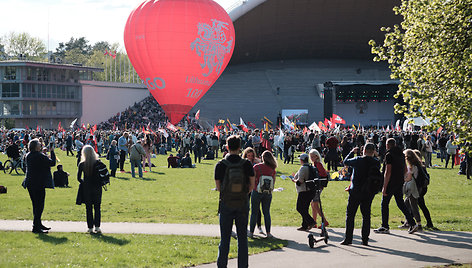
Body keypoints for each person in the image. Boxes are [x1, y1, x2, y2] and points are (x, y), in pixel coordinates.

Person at [214, 135, 255, 268]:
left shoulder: (220, 165)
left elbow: (219, 187)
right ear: (240, 147)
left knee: (224, 239)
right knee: (242, 238)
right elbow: (252, 185)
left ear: (227, 147)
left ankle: (222, 265)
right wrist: (242, 194)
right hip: (242, 204)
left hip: (226, 203)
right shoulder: (247, 164)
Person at [374, 138, 418, 234]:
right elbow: (406, 169)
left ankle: (385, 226)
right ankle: (412, 223)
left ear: (388, 145)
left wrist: (384, 186)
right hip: (399, 181)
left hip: (391, 182)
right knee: (400, 203)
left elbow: (388, 172)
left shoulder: (389, 155)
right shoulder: (401, 154)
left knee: (384, 203)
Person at [341, 143, 380, 246]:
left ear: (364, 150)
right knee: (366, 216)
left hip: (356, 190)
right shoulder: (376, 162)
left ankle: (348, 238)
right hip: (369, 190)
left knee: (350, 215)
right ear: (373, 151)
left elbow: (345, 162)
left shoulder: (358, 160)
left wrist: (351, 152)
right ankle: (365, 239)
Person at [23, 138, 56, 233]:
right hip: (38, 183)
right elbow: (52, 163)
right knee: (40, 205)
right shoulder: (40, 156)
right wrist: (52, 152)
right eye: (39, 144)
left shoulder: (28, 155)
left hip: (30, 182)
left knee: (35, 205)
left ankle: (38, 224)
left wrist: (44, 154)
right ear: (36, 146)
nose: (40, 145)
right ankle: (36, 226)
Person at [248, 150, 277, 238]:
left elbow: (252, 179)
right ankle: (268, 233)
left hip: (257, 191)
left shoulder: (257, 167)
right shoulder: (273, 169)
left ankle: (251, 232)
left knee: (254, 213)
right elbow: (274, 181)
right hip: (268, 192)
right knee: (266, 212)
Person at [77, 145, 103, 234]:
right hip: (97, 187)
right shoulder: (98, 162)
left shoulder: (82, 164)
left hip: (86, 188)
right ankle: (97, 226)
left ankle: (90, 227)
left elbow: (78, 178)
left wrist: (83, 183)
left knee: (88, 208)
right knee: (97, 207)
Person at [291, 153, 316, 231]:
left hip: (304, 191)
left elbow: (300, 181)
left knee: (299, 208)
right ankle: (304, 225)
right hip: (311, 190)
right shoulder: (310, 167)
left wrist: (295, 180)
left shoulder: (303, 168)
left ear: (302, 160)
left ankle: (311, 221)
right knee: (305, 208)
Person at [402, 149, 423, 232]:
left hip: (413, 189)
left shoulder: (412, 167)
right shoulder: (416, 165)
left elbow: (408, 178)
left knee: (413, 206)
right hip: (413, 188)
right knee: (406, 204)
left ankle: (418, 224)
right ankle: (408, 222)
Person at [309, 149, 329, 228]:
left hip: (318, 186)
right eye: (311, 157)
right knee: (313, 204)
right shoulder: (315, 164)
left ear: (317, 156)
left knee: (315, 204)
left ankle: (324, 221)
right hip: (316, 186)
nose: (312, 158)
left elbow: (323, 174)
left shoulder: (318, 164)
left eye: (313, 156)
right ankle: (314, 222)